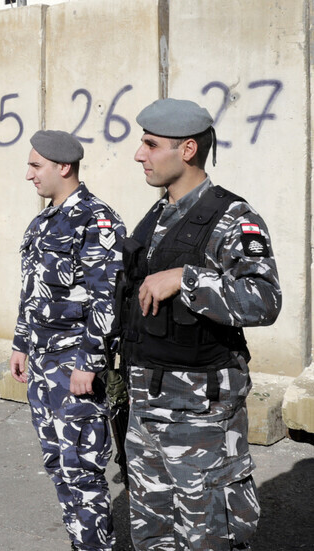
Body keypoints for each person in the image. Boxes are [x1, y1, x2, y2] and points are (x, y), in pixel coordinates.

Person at [119, 98, 282, 550]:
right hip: (147, 404)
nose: (139, 154)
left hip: (200, 416)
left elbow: (265, 300)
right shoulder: (157, 216)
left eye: (151, 145)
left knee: (209, 534)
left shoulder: (233, 218)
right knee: (153, 532)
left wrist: (188, 279)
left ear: (187, 149)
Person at [10, 130, 126, 551]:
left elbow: (107, 301)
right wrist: (20, 343)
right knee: (58, 466)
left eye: (36, 166)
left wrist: (89, 364)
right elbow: (32, 291)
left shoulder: (97, 221)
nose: (28, 175)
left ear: (64, 167)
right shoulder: (43, 222)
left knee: (83, 472)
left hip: (74, 368)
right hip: (42, 366)